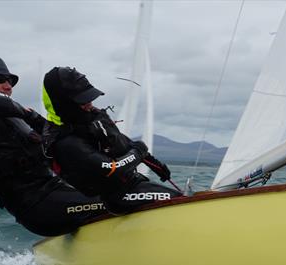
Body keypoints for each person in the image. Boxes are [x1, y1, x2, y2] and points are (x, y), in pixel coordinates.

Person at [0, 55, 108, 236]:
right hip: (37, 206)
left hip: (57, 194)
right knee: (119, 201)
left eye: (10, 81)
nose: (8, 86)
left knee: (127, 191)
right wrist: (31, 116)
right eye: (0, 80)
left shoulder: (14, 121)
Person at [41, 66, 181, 215]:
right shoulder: (66, 142)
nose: (90, 105)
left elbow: (124, 143)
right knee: (177, 200)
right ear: (64, 105)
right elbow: (111, 168)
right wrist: (138, 152)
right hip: (117, 197)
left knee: (178, 196)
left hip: (134, 184)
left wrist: (155, 165)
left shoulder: (89, 121)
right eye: (83, 102)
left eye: (90, 99)